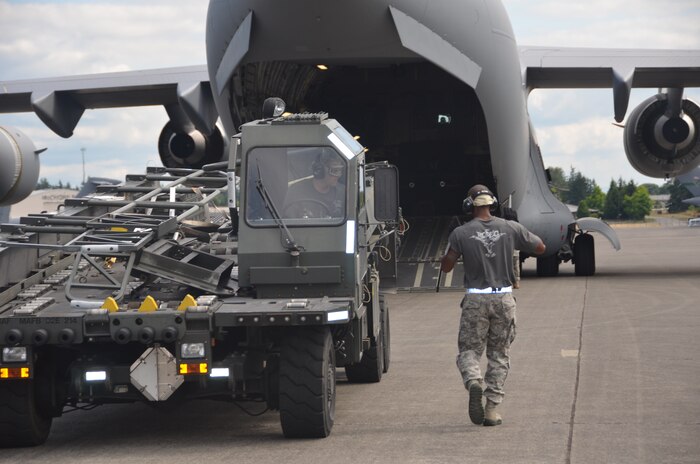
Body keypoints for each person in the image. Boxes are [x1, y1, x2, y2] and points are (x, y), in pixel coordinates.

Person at [440, 184, 545, 426]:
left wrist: (453, 244)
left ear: (469, 205)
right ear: (492, 202)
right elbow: (540, 247)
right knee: (499, 354)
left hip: (476, 299)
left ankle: (473, 380)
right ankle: (491, 410)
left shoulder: (461, 232)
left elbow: (446, 267)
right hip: (504, 299)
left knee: (469, 351)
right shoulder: (510, 227)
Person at [283, 150, 345, 218]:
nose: (338, 175)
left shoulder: (342, 192)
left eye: (340, 170)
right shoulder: (296, 191)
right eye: (335, 171)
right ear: (319, 171)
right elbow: (288, 222)